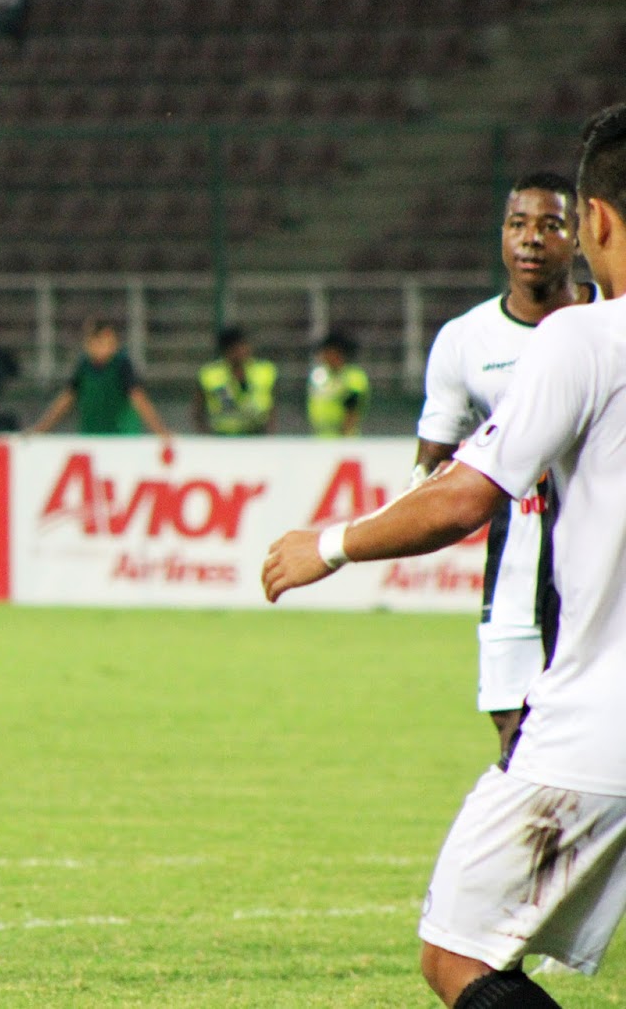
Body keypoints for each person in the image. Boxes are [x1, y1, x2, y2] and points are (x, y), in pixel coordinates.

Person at [261, 103, 626, 1009]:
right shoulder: (474, 339)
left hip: (601, 718)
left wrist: (331, 543)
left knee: (455, 951)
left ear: (597, 221)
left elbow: (464, 494)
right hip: (559, 669)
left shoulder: (582, 338)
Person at [412, 171, 598, 761]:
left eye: (550, 225)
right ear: (501, 235)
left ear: (580, 236)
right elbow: (431, 467)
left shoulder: (610, 322)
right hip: (516, 567)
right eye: (518, 224)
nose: (531, 240)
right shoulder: (466, 340)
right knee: (518, 746)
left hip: (601, 562)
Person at [31, 317, 174, 449]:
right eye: (101, 342)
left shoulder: (121, 364)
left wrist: (161, 431)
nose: (107, 347)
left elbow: (139, 399)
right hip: (92, 440)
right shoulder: (84, 366)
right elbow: (65, 399)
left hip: (121, 441)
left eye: (110, 343)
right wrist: (40, 428)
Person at [194, 324, 277, 435]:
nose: (242, 352)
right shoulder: (211, 375)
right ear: (226, 351)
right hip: (223, 435)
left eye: (244, 346)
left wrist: (271, 435)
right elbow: (197, 411)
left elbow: (272, 408)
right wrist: (207, 437)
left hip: (256, 434)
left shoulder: (264, 371)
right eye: (236, 348)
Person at [305, 329, 369, 437]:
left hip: (342, 438)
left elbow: (352, 409)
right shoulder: (320, 375)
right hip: (320, 436)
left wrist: (343, 437)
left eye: (327, 352)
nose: (323, 356)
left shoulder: (353, 376)